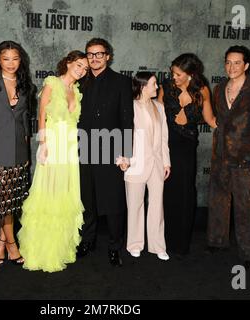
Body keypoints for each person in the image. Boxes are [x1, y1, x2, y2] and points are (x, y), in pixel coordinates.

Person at [17, 50, 89, 272]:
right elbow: (41, 115)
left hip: (69, 147)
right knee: (48, 193)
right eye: (78, 65)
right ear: (68, 63)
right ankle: (41, 250)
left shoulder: (76, 91)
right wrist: (43, 143)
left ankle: (60, 248)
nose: (81, 70)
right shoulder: (53, 83)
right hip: (53, 144)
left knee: (65, 195)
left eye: (85, 68)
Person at [206, 45, 250, 271]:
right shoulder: (218, 89)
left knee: (246, 208)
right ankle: (217, 242)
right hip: (220, 158)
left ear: (246, 65)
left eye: (237, 62)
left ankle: (249, 253)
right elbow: (217, 121)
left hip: (247, 160)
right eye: (228, 62)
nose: (231, 67)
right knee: (218, 202)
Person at [77, 38, 134, 266]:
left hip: (111, 151)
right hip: (83, 150)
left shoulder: (122, 82)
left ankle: (114, 246)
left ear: (108, 56)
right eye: (90, 54)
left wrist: (126, 153)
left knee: (113, 204)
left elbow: (126, 119)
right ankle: (87, 241)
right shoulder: (79, 81)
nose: (94, 58)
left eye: (99, 54)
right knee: (87, 201)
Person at [0, 41, 35, 265]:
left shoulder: (25, 84)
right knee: (4, 199)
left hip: (19, 151)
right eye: (6, 58)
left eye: (15, 58)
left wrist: (26, 149)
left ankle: (0, 242)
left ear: (21, 60)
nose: (11, 63)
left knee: (11, 199)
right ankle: (12, 243)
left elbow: (24, 119)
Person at [156, 53, 216, 258]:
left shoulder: (202, 91)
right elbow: (156, 115)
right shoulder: (166, 86)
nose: (174, 77)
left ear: (191, 74)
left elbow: (210, 120)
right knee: (164, 193)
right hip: (166, 145)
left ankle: (180, 243)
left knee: (184, 193)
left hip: (186, 148)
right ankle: (160, 239)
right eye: (173, 72)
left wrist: (236, 127)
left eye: (179, 74)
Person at [118, 72, 171, 260]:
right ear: (142, 86)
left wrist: (166, 162)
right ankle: (134, 244)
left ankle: (158, 246)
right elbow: (123, 133)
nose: (157, 87)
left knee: (157, 206)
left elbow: (164, 137)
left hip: (156, 164)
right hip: (135, 164)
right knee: (135, 205)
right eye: (154, 84)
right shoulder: (129, 107)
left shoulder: (159, 107)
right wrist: (122, 158)